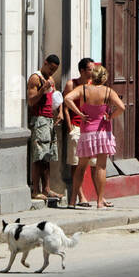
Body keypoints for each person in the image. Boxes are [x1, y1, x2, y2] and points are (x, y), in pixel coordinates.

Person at [63, 63, 124, 210]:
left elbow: (67, 99)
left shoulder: (83, 89)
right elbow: (121, 107)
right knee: (101, 166)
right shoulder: (108, 92)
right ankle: (99, 201)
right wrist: (110, 116)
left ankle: (72, 201)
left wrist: (79, 113)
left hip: (87, 132)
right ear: (104, 77)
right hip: (103, 132)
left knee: (81, 167)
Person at [63, 56, 96, 207]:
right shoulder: (72, 84)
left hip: (90, 128)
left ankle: (98, 197)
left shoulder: (93, 85)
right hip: (76, 127)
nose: (92, 72)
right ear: (82, 70)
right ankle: (80, 196)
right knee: (76, 164)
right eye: (90, 69)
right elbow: (65, 105)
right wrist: (69, 126)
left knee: (93, 163)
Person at [27, 54, 61, 201]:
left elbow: (55, 97)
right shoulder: (36, 78)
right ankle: (35, 189)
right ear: (45, 63)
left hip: (49, 120)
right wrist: (42, 89)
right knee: (38, 156)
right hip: (39, 120)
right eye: (51, 68)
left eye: (55, 70)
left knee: (47, 156)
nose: (52, 72)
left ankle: (47, 188)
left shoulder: (51, 80)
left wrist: (59, 111)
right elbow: (31, 101)